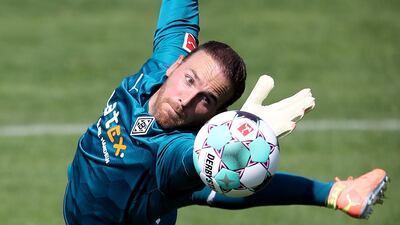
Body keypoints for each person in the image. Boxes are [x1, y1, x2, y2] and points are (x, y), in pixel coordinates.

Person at [63, 0, 389, 224]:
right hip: (94, 203)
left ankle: (333, 194)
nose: (185, 99)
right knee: (203, 191)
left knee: (207, 181)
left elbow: (199, 159)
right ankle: (337, 194)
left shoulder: (172, 153)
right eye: (188, 79)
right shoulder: (166, 58)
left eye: (206, 100)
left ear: (215, 115)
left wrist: (243, 136)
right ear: (177, 63)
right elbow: (179, 14)